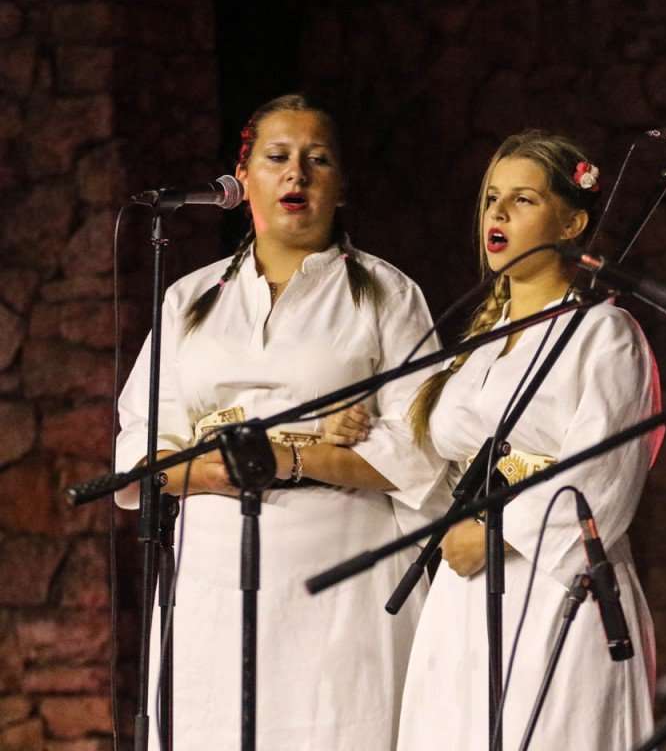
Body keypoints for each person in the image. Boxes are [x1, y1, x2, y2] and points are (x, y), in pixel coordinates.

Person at [114, 94, 450, 750]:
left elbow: (420, 447)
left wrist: (290, 458)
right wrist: (212, 470)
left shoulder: (386, 293)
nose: (296, 173)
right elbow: (142, 446)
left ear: (340, 186)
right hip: (212, 572)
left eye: (317, 160)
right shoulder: (189, 298)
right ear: (242, 179)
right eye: (277, 157)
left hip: (343, 569)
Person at [355, 131, 661, 750]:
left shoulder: (603, 333)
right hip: (464, 588)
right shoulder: (480, 343)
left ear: (571, 222)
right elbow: (439, 460)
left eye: (523, 200)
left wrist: (498, 535)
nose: (497, 212)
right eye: (493, 198)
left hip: (554, 584)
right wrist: (353, 429)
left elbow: (604, 476)